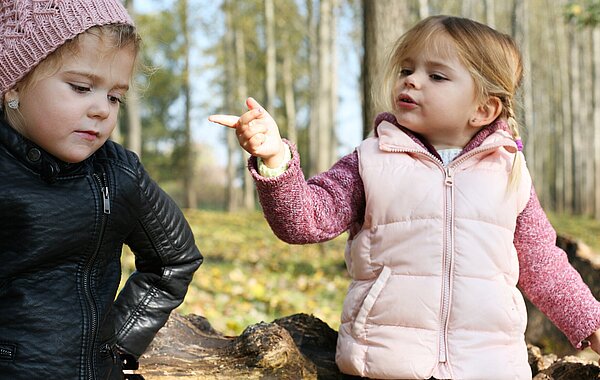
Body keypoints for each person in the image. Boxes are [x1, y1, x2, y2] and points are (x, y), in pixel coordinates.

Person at [209, 15, 600, 380]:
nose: (412, 81)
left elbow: (544, 267)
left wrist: (593, 326)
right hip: (385, 363)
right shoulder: (370, 160)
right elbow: (305, 221)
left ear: (483, 108)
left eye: (436, 75)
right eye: (406, 70)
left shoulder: (510, 172)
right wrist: (276, 160)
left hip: (490, 366)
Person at [0, 1, 202, 379]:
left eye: (114, 97)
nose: (101, 110)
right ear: (14, 83)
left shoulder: (119, 173)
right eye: (81, 87)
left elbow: (175, 259)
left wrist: (121, 343)